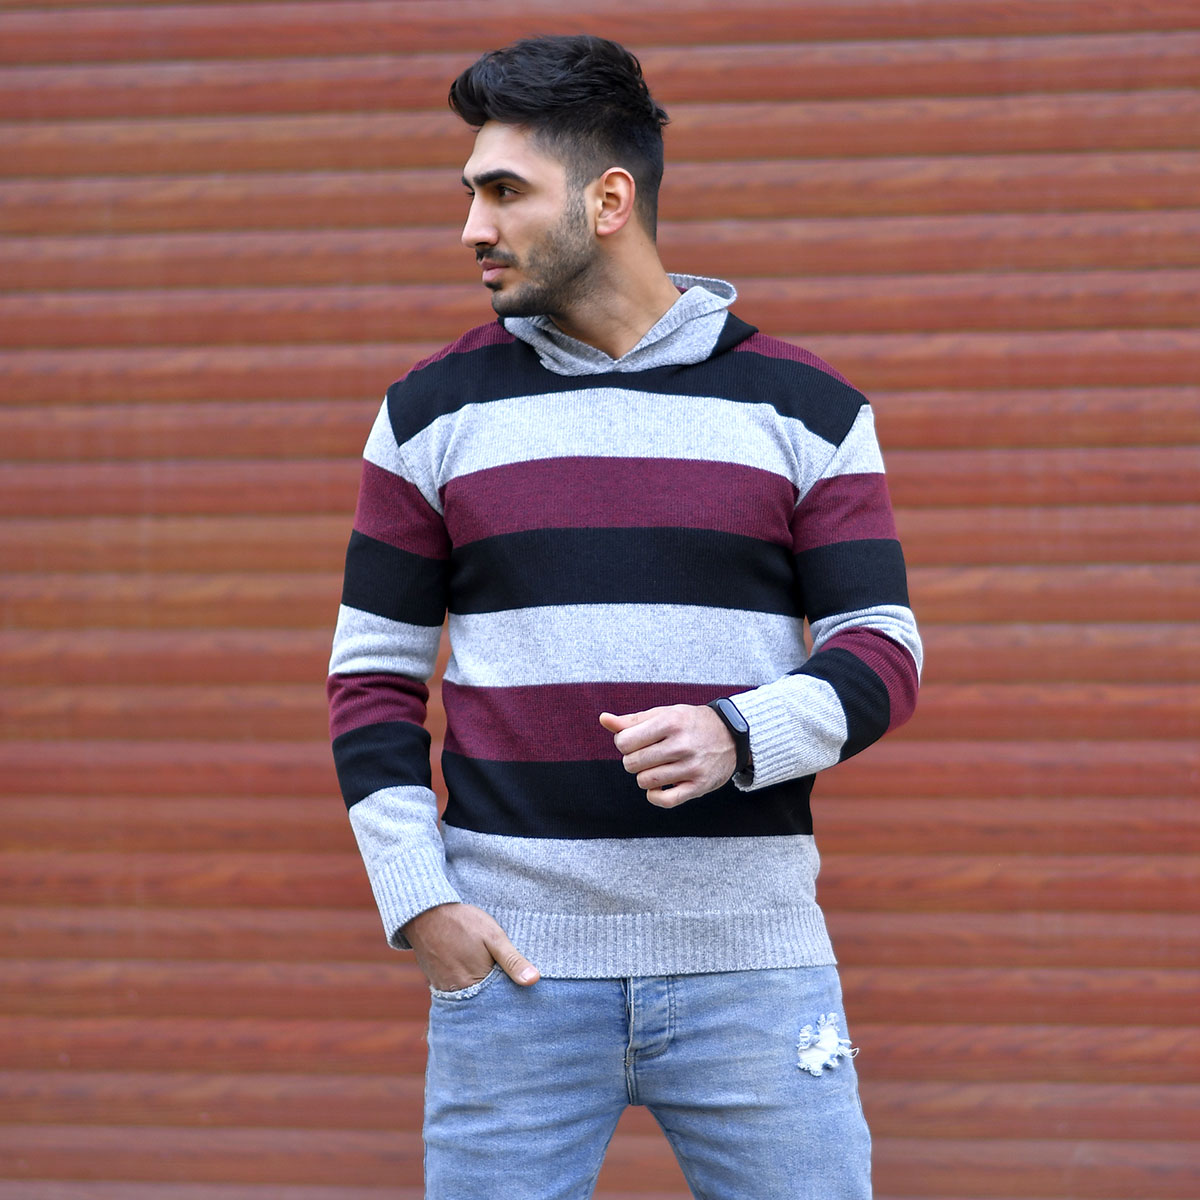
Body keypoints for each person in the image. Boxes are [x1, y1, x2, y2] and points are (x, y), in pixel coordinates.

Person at [327, 33, 921, 1200]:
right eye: (469, 193)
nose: (473, 227)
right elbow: (372, 682)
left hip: (753, 972)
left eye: (505, 192)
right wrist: (422, 905)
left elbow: (882, 650)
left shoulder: (805, 408)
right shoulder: (429, 415)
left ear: (608, 202)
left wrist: (739, 732)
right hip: (514, 976)